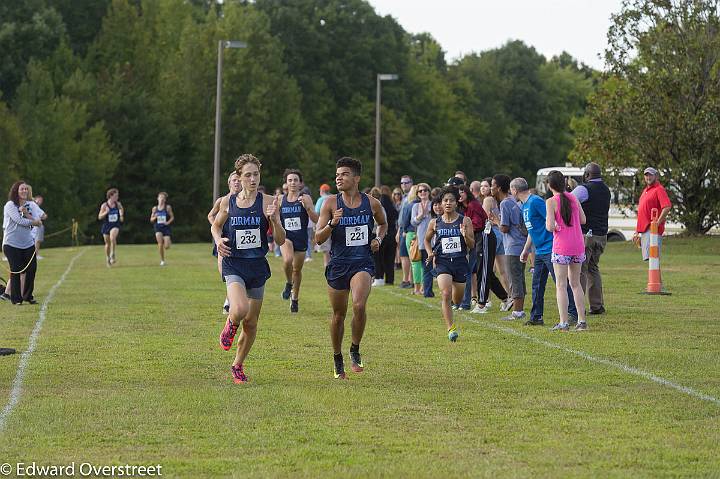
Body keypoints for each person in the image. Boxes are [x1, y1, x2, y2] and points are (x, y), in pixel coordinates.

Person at [212, 154, 285, 384]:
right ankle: (230, 324)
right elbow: (216, 225)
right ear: (239, 178)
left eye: (256, 174)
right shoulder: (228, 202)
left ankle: (237, 364)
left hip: (257, 266)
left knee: (251, 323)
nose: (253, 179)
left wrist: (273, 221)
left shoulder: (269, 202)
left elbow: (282, 241)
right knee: (240, 308)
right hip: (234, 262)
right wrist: (218, 240)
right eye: (248, 175)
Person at [315, 157, 387, 380]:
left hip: (362, 262)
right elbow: (318, 238)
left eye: (344, 174)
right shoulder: (330, 204)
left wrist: (378, 239)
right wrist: (332, 224)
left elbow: (383, 224)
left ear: (356, 178)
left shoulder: (371, 203)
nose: (339, 177)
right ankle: (337, 357)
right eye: (337, 174)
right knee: (338, 315)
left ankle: (354, 349)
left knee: (359, 304)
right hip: (338, 264)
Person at [515, 178, 578, 326]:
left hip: (550, 247)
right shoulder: (525, 206)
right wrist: (526, 249)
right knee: (537, 283)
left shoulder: (535, 201)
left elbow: (550, 218)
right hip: (539, 250)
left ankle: (572, 312)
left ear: (514, 190)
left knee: (560, 282)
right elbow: (532, 230)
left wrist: (557, 228)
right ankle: (536, 316)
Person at [424, 186, 474, 341]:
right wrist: (430, 253)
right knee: (445, 293)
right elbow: (426, 240)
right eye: (445, 200)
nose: (447, 203)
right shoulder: (435, 222)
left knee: (457, 300)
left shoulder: (465, 220)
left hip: (460, 262)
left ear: (456, 202)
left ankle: (454, 303)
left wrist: (465, 236)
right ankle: (450, 328)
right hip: (442, 262)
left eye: (451, 200)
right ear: (441, 202)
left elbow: (472, 245)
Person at [545, 170, 588, 332]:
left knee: (561, 285)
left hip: (561, 246)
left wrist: (555, 225)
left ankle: (563, 322)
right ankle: (581, 321)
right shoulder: (574, 198)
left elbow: (549, 226)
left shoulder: (551, 201)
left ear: (550, 185)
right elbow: (583, 220)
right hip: (577, 245)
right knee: (576, 284)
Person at [571, 162, 611, 315]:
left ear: (587, 175)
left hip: (586, 235)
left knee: (580, 269)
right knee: (593, 268)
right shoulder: (606, 190)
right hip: (602, 235)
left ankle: (577, 306)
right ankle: (597, 305)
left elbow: (568, 202)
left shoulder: (583, 189)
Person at [279, 169, 319, 313]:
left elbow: (316, 220)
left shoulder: (305, 198)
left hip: (301, 239)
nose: (293, 183)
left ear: (300, 183)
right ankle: (289, 283)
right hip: (286, 237)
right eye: (290, 180)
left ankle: (294, 299)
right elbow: (275, 219)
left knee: (297, 270)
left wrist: (307, 209)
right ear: (286, 182)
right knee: (287, 260)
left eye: (295, 180)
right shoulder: (280, 200)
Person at [2, 181, 42, 305]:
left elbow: (38, 221)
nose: (25, 191)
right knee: (16, 270)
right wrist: (33, 222)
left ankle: (27, 295)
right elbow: (18, 220)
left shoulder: (29, 205)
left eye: (26, 189)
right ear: (16, 191)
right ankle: (16, 299)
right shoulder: (10, 205)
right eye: (22, 189)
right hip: (11, 244)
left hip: (28, 243)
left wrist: (26, 214)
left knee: (32, 269)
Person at [473, 179, 509, 314]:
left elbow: (484, 218)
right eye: (481, 186)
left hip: (492, 233)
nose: (483, 188)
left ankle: (485, 300)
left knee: (487, 269)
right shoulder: (499, 200)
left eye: (486, 186)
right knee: (502, 270)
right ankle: (508, 298)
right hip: (501, 233)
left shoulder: (488, 200)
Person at [208, 172, 242, 313]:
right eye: (234, 180)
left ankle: (229, 301)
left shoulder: (245, 201)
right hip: (223, 242)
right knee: (225, 273)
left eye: (239, 180)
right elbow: (211, 215)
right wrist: (218, 230)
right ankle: (230, 300)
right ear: (229, 183)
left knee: (237, 273)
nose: (237, 183)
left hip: (239, 242)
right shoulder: (222, 200)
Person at [495, 174, 528, 320]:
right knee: (519, 277)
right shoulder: (518, 202)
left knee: (514, 278)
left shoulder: (504, 203)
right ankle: (519, 308)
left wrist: (496, 221)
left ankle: (518, 311)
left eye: (492, 185)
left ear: (499, 187)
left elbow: (505, 228)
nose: (491, 187)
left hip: (512, 246)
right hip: (522, 244)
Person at [633, 167, 672, 286]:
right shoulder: (646, 190)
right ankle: (656, 283)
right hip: (644, 230)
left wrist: (657, 223)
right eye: (646, 175)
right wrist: (637, 231)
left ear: (656, 176)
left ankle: (656, 284)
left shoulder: (659, 189)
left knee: (653, 257)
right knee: (651, 258)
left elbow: (667, 206)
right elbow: (642, 212)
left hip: (653, 229)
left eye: (650, 175)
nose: (648, 177)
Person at [457, 184, 487, 310]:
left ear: (467, 193)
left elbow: (478, 224)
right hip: (471, 239)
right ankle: (463, 301)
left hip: (479, 238)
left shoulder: (472, 205)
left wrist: (465, 230)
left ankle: (468, 302)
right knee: (470, 271)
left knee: (472, 271)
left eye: (461, 192)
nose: (459, 195)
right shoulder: (464, 206)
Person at [411, 183, 434, 297]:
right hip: (422, 241)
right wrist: (421, 215)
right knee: (426, 266)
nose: (423, 192)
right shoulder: (415, 206)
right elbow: (413, 222)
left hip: (434, 240)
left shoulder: (433, 204)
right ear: (417, 194)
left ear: (429, 192)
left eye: (425, 190)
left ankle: (430, 290)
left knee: (435, 266)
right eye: (420, 191)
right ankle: (428, 291)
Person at [372, 185, 398, 286]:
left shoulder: (379, 206)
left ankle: (379, 277)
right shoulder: (392, 205)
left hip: (381, 234)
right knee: (390, 258)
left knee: (379, 257)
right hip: (391, 233)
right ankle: (390, 279)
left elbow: (381, 222)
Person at [404, 185, 423, 295]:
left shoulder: (409, 205)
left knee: (415, 262)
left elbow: (404, 222)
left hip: (412, 234)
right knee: (424, 262)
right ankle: (424, 287)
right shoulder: (425, 205)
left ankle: (417, 288)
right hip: (424, 234)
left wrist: (404, 231)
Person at [98, 188, 124, 267]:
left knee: (113, 238)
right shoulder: (105, 205)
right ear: (110, 196)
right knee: (107, 243)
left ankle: (113, 254)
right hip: (106, 225)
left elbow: (121, 209)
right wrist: (106, 212)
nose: (117, 197)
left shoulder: (118, 204)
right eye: (116, 196)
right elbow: (99, 217)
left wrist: (121, 215)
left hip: (115, 225)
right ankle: (108, 258)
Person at [396, 175, 414, 288]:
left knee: (406, 255)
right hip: (402, 228)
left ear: (411, 183)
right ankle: (407, 279)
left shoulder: (410, 198)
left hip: (407, 228)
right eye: (402, 183)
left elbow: (406, 217)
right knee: (404, 255)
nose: (404, 185)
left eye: (406, 183)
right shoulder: (404, 197)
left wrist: (402, 230)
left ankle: (407, 280)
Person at [150, 192, 174, 266]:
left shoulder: (168, 207)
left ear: (165, 200)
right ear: (158, 198)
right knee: (160, 244)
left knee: (166, 246)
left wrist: (168, 222)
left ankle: (168, 241)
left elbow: (172, 217)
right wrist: (155, 217)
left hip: (166, 227)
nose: (162, 199)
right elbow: (151, 219)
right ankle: (162, 260)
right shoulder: (155, 208)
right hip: (158, 227)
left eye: (163, 198)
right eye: (160, 197)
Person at [314, 184, 332, 266]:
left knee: (326, 249)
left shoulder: (321, 199)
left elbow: (316, 213)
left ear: (322, 191)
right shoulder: (333, 198)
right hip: (335, 225)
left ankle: (327, 264)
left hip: (324, 226)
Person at [29, 192, 47, 259]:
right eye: (39, 200)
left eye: (41, 200)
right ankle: (35, 255)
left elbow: (44, 216)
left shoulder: (34, 206)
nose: (40, 202)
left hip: (36, 226)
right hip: (35, 226)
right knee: (36, 241)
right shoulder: (33, 205)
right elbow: (44, 215)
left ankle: (36, 254)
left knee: (37, 241)